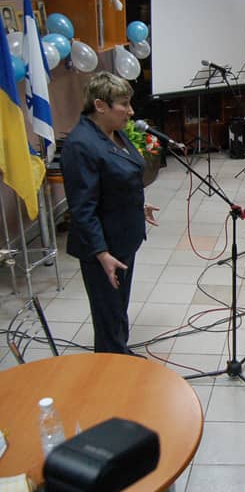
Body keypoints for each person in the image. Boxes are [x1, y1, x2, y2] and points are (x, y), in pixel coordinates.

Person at [61, 72, 159, 354]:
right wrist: (102, 254)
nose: (131, 111)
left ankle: (120, 355)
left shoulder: (114, 133)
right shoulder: (81, 145)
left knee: (118, 310)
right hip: (103, 249)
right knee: (107, 315)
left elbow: (115, 182)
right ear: (100, 105)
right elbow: (83, 209)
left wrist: (137, 206)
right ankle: (111, 370)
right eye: (124, 104)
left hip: (123, 238)